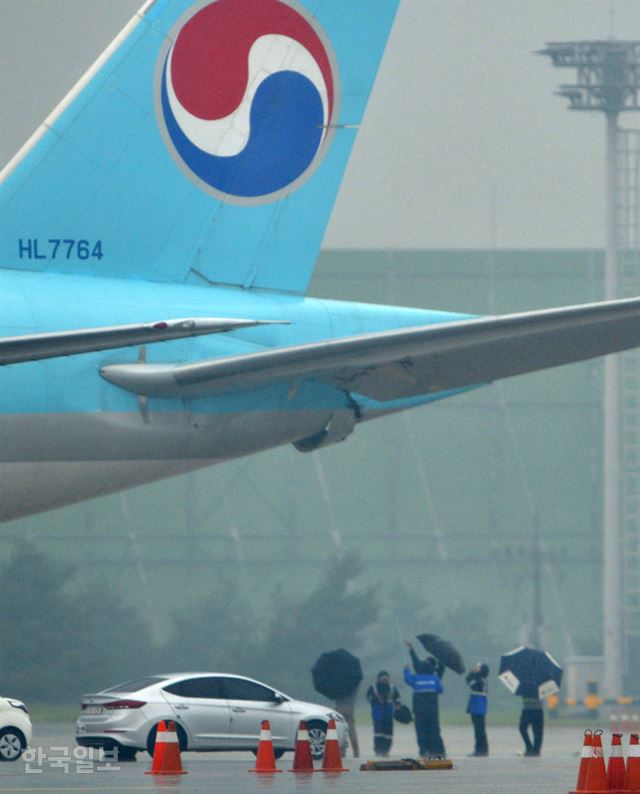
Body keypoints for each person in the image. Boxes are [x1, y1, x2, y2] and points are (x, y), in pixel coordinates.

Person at [403, 640, 446, 759]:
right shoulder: (434, 678)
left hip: (419, 711)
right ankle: (436, 751)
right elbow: (440, 690)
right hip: (432, 710)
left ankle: (424, 751)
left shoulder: (416, 678)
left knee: (421, 731)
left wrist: (406, 670)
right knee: (434, 730)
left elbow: (407, 679)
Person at [366, 671, 400, 756]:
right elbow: (368, 697)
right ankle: (378, 751)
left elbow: (397, 697)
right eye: (383, 677)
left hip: (389, 715)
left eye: (386, 677)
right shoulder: (373, 687)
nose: (385, 679)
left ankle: (386, 751)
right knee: (378, 733)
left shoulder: (392, 687)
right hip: (377, 715)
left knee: (388, 734)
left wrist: (398, 705)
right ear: (379, 678)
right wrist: (376, 699)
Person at [465, 663, 489, 756]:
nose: (476, 668)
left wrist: (471, 672)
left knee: (479, 730)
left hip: (478, 708)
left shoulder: (479, 680)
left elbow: (469, 682)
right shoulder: (482, 679)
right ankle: (482, 749)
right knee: (479, 729)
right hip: (478, 707)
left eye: (478, 667)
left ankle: (480, 750)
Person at [334, 690, 360, 758]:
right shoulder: (353, 687)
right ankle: (356, 751)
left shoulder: (338, 687)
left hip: (339, 709)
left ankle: (342, 752)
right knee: (352, 731)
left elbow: (334, 696)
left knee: (341, 731)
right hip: (350, 709)